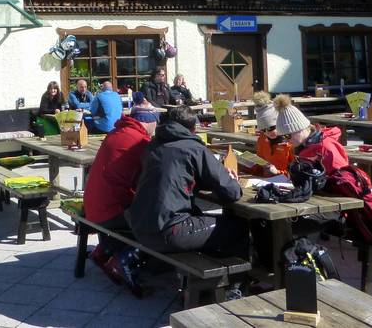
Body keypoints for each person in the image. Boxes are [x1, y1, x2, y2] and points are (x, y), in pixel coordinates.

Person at [128, 105, 249, 261]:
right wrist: (231, 179)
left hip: (141, 228)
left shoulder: (153, 146)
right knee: (239, 226)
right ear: (193, 129)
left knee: (207, 221)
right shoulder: (194, 148)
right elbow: (232, 192)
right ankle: (237, 274)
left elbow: (174, 177)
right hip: (169, 230)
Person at [83, 113, 152, 295]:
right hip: (109, 210)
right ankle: (122, 262)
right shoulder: (141, 141)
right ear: (150, 123)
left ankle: (103, 251)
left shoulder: (117, 131)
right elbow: (154, 175)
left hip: (91, 204)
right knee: (155, 222)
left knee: (136, 210)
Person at [273, 94, 349, 175]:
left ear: (300, 129)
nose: (287, 141)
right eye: (283, 137)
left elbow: (344, 178)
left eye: (288, 136)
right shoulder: (302, 146)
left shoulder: (325, 148)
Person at [249, 92, 294, 176]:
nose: (267, 133)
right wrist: (244, 166)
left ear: (279, 123)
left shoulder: (292, 143)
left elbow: (298, 174)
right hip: (266, 180)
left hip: (285, 181)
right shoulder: (262, 139)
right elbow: (259, 165)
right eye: (263, 130)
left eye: (271, 128)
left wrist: (277, 172)